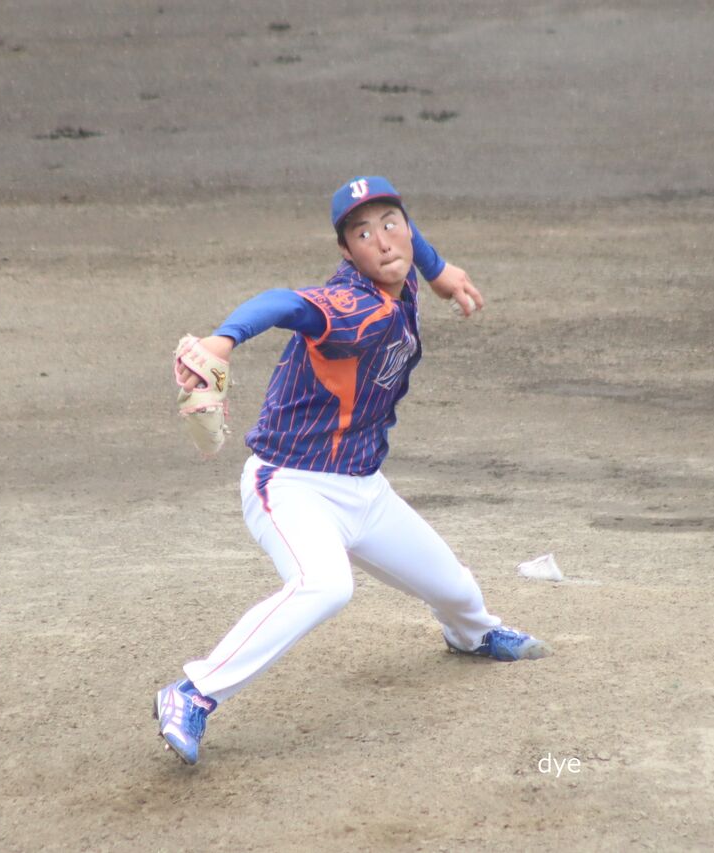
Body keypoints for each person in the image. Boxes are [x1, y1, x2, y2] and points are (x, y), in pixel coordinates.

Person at [155, 176, 550, 765]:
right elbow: (285, 303)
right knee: (326, 585)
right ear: (346, 252)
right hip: (291, 484)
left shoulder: (400, 261)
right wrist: (224, 339)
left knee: (458, 591)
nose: (383, 242)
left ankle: (471, 635)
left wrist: (439, 270)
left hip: (366, 489)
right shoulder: (351, 306)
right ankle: (193, 692)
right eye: (363, 235)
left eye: (391, 225)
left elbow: (406, 243)